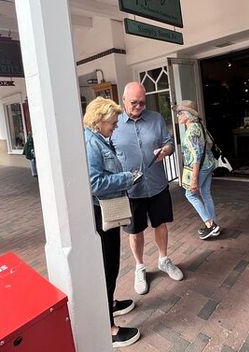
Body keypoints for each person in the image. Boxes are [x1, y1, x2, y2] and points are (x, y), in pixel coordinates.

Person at [112, 82, 183, 295]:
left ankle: (163, 260)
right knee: (135, 231)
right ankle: (140, 266)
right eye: (134, 102)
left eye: (142, 102)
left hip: (157, 184)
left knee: (160, 225)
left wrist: (167, 150)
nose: (139, 106)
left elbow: (169, 142)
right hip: (131, 189)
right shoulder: (114, 124)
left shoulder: (156, 119)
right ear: (124, 100)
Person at [83, 97, 141, 348]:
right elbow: (95, 184)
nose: (116, 126)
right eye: (113, 122)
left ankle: (111, 304)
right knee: (107, 266)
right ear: (99, 120)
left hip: (106, 210)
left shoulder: (96, 139)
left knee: (112, 264)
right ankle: (109, 328)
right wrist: (127, 178)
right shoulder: (90, 144)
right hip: (101, 213)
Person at [175, 100, 221, 240]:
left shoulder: (191, 132)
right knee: (205, 193)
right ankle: (214, 227)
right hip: (208, 164)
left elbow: (197, 156)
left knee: (190, 195)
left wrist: (194, 179)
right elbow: (209, 143)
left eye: (180, 113)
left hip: (200, 167)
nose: (177, 116)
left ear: (187, 115)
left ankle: (210, 224)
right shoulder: (199, 125)